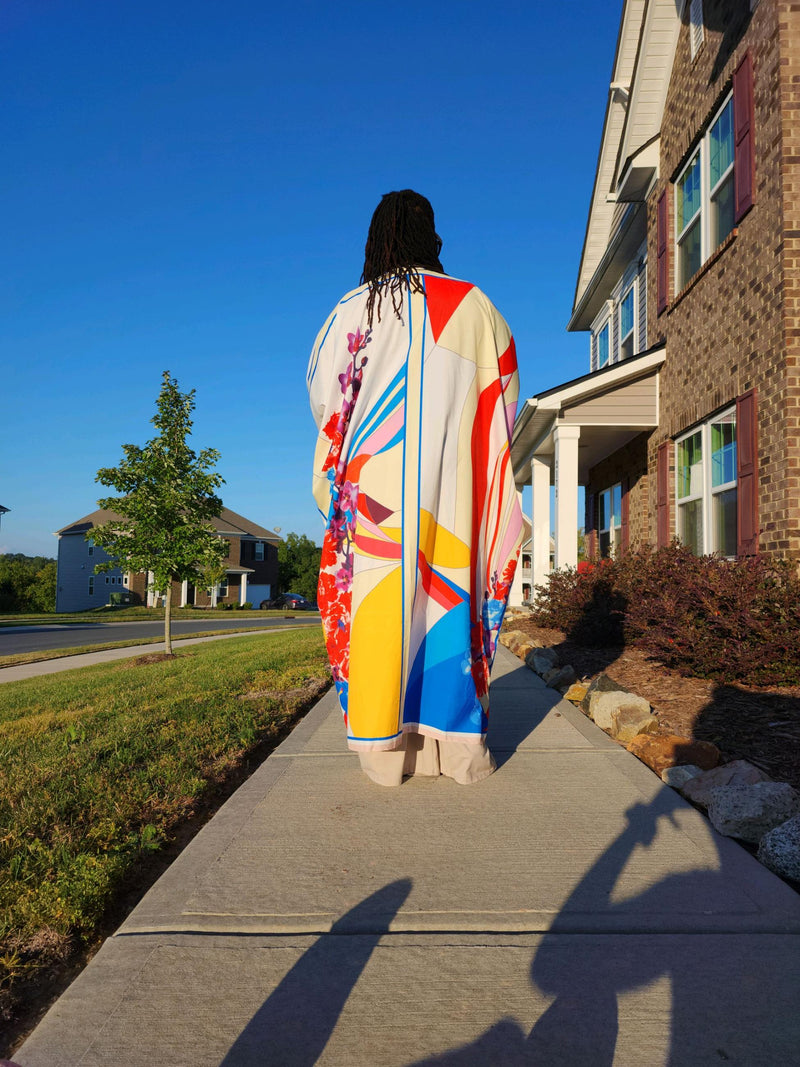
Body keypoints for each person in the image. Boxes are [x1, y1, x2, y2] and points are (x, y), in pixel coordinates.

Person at [307, 190, 522, 786]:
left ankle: (387, 760)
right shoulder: (474, 305)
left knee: (378, 612)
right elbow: (504, 392)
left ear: (375, 240)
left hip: (374, 494)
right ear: (432, 237)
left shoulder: (347, 313)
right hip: (455, 488)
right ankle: (456, 756)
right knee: (452, 601)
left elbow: (327, 406)